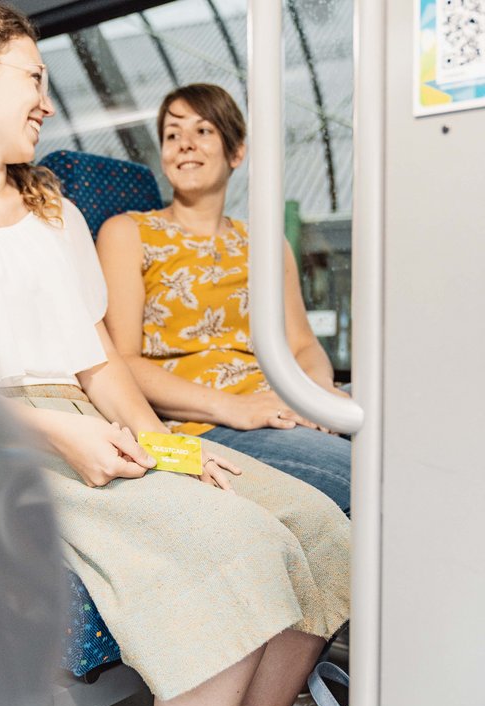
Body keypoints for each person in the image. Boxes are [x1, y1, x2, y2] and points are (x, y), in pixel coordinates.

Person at [0, 4, 349, 706]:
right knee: (241, 548)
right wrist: (55, 437)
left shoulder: (50, 209)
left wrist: (170, 446)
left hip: (89, 416)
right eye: (33, 78)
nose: (45, 101)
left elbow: (98, 359)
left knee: (323, 530)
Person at [97, 83, 352, 518]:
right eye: (172, 134)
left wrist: (318, 396)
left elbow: (303, 345)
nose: (185, 145)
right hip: (211, 421)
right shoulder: (128, 233)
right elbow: (123, 362)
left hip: (282, 405)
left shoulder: (265, 242)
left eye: (203, 131)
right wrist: (241, 408)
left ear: (236, 153)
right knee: (369, 474)